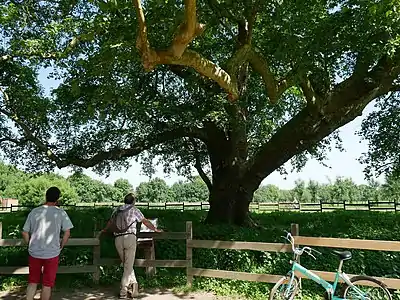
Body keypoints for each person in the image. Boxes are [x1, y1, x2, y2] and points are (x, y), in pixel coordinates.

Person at [101, 193, 162, 299]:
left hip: (117, 239)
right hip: (130, 238)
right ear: (133, 201)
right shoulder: (134, 210)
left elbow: (110, 223)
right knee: (128, 266)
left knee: (126, 265)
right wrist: (155, 229)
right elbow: (145, 221)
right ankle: (123, 292)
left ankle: (134, 285)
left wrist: (104, 231)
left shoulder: (117, 210)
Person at [22, 186, 74, 300]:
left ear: (46, 196)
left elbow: (25, 232)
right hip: (52, 252)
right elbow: (67, 232)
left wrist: (29, 245)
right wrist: (61, 246)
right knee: (47, 284)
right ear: (57, 199)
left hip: (34, 252)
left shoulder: (35, 211)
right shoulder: (61, 213)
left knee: (32, 282)